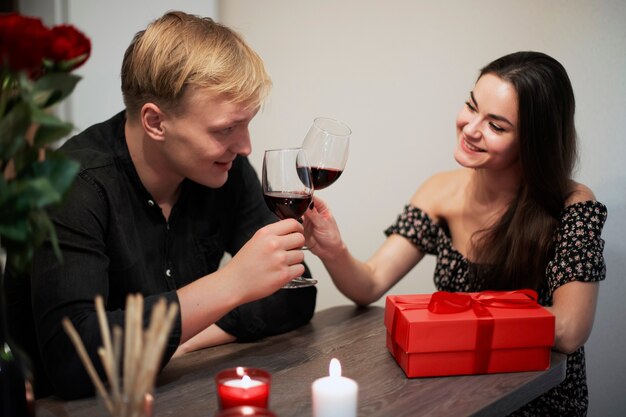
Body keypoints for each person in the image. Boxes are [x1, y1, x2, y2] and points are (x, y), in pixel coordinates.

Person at [3, 11, 315, 400]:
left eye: (247, 124)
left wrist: (182, 339)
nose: (245, 146)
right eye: (225, 129)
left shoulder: (224, 170)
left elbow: (296, 291)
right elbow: (74, 361)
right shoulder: (72, 186)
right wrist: (231, 285)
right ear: (155, 122)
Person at [303, 51, 606, 416]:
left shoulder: (572, 204)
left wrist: (444, 325)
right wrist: (333, 250)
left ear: (533, 142)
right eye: (471, 106)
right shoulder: (439, 191)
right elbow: (367, 286)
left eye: (496, 126)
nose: (470, 128)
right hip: (456, 392)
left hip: (536, 395)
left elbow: (571, 329)